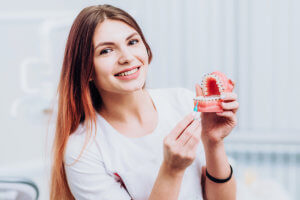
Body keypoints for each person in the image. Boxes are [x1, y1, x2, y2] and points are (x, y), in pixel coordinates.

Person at [50, 4, 238, 200]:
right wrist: (171, 170)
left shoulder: (183, 102)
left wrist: (213, 142)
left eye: (132, 42)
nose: (127, 57)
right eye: (106, 51)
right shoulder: (83, 150)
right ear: (86, 69)